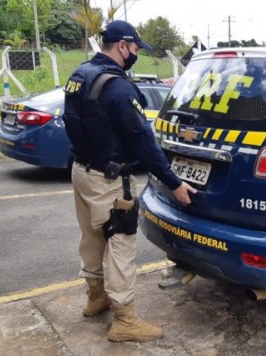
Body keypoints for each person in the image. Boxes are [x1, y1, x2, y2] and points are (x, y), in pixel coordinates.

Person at [63, 20, 196, 342]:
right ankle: (124, 319)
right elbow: (142, 141)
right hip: (111, 180)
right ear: (122, 45)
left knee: (92, 238)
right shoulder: (118, 87)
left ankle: (96, 297)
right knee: (120, 246)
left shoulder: (80, 75)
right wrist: (174, 182)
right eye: (135, 48)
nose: (135, 54)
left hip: (82, 172)